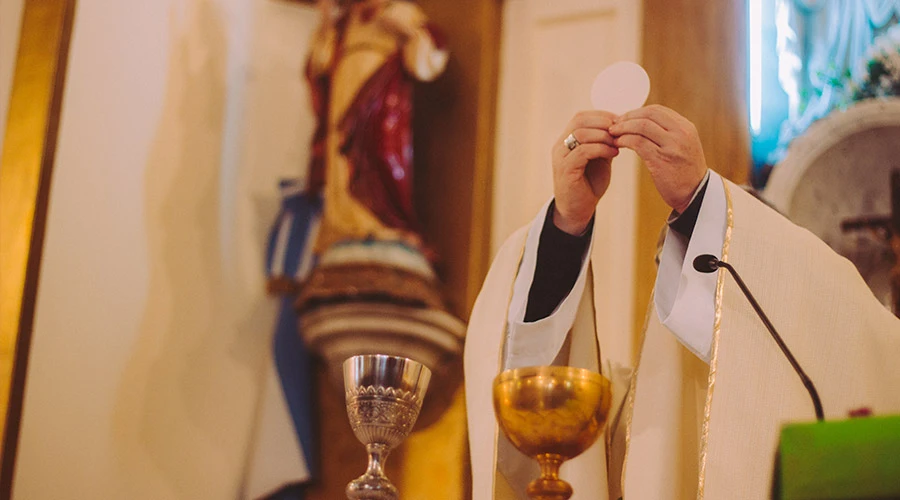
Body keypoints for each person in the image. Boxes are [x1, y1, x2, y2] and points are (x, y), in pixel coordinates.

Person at [464, 105, 900, 499]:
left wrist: (701, 202)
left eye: (697, 253)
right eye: (677, 261)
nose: (685, 287)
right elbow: (539, 399)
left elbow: (848, 333)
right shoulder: (636, 421)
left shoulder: (852, 348)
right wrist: (565, 229)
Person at [306, 0, 448, 255]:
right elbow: (321, 65)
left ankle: (383, 224)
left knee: (381, 153)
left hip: (382, 98)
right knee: (340, 156)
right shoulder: (346, 21)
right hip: (343, 93)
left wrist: (406, 30)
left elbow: (428, 60)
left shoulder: (400, 11)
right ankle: (345, 226)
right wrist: (326, 26)